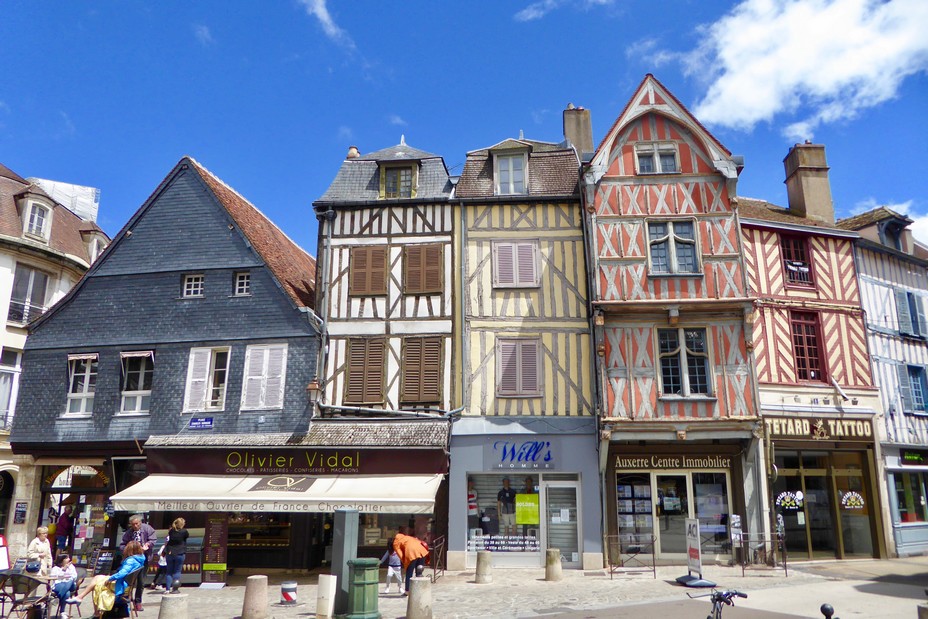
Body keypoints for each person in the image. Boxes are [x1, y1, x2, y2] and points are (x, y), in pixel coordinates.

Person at [67, 541, 146, 617]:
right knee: (97, 578)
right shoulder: (140, 559)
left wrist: (110, 578)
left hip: (120, 585)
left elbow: (122, 573)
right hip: (126, 584)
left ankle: (93, 610)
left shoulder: (131, 561)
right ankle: (80, 598)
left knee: (96, 585)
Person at [119, 515, 157, 612]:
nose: (135, 526)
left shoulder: (147, 528)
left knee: (141, 582)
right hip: (131, 560)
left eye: (137, 524)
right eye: (133, 524)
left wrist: (147, 545)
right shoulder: (129, 532)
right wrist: (128, 549)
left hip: (144, 559)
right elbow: (122, 545)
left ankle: (138, 601)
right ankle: (126, 599)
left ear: (140, 522)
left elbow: (153, 540)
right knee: (129, 580)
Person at [392, 527, 428, 595]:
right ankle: (419, 590)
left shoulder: (396, 542)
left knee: (409, 573)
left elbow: (400, 553)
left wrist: (405, 562)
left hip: (412, 553)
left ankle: (408, 591)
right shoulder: (408, 538)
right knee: (419, 571)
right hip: (422, 551)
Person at [163, 517, 188, 594]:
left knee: (169, 571)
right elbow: (186, 538)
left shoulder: (171, 531)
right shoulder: (184, 532)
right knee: (177, 571)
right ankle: (175, 588)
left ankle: (167, 589)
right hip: (180, 552)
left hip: (170, 552)